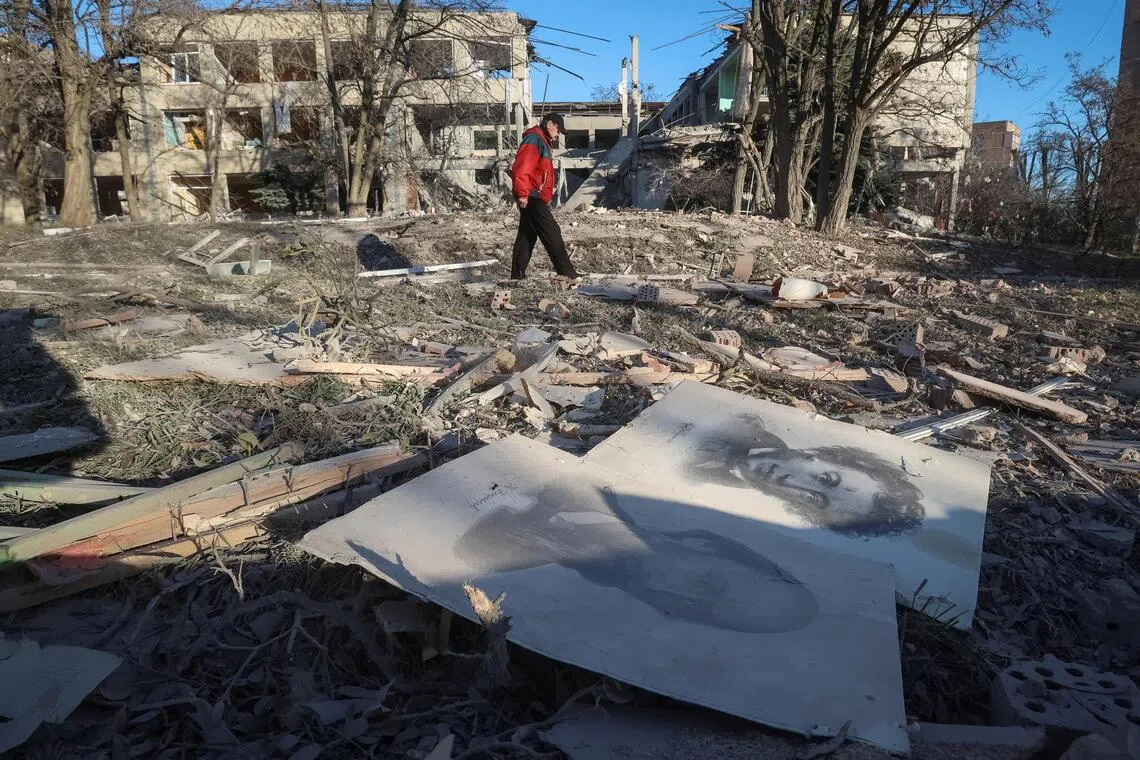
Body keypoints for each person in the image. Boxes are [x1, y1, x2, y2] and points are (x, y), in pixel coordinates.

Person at [453, 482, 818, 634]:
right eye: (707, 584)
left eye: (696, 609)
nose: (670, 596)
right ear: (707, 548)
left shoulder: (491, 560)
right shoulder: (581, 486)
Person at [684, 414, 926, 538]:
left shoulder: (712, 500)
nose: (792, 483)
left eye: (815, 500)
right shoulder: (741, 422)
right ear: (819, 456)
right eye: (825, 478)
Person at [509, 113, 580, 280]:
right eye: (558, 130)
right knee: (552, 231)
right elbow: (522, 167)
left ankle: (517, 275)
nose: (558, 135)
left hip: (533, 194)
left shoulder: (541, 141)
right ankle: (567, 274)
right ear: (550, 124)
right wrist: (523, 193)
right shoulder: (534, 139)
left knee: (527, 235)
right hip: (532, 195)